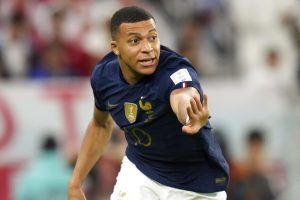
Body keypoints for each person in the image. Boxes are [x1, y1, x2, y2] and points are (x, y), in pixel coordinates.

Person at [68, 6, 229, 200]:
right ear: (115, 47)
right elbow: (100, 124)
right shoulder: (104, 77)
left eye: (152, 38)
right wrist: (76, 182)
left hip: (195, 185)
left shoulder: (175, 69)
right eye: (135, 41)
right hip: (143, 173)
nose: (148, 48)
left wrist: (189, 114)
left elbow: (183, 95)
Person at [14, 135, 72, 200]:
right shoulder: (69, 174)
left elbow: (21, 197)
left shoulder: (30, 176)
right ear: (58, 149)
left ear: (41, 149)